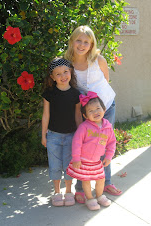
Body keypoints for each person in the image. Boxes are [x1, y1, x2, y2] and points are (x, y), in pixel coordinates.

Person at [64, 25, 122, 203]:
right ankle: (81, 188)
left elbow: (106, 80)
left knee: (103, 144)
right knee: (85, 147)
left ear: (91, 45)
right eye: (78, 40)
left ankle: (106, 182)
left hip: (106, 106)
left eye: (86, 42)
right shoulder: (68, 64)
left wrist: (100, 107)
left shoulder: (98, 59)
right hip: (86, 112)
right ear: (72, 42)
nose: (82, 45)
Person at [41, 57, 82, 207]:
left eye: (66, 72)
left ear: (70, 72)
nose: (63, 76)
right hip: (53, 136)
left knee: (69, 165)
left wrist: (80, 136)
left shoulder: (76, 94)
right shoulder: (49, 93)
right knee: (55, 165)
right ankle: (57, 192)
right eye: (58, 74)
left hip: (72, 136)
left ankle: (69, 191)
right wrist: (43, 134)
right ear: (52, 77)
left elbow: (78, 115)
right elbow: (46, 115)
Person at [67, 91, 116, 210]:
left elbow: (111, 142)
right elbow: (76, 142)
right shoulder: (84, 127)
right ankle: (90, 199)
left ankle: (99, 196)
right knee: (86, 180)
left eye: (98, 108)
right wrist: (76, 158)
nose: (95, 112)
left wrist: (109, 156)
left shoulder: (107, 127)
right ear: (85, 116)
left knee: (101, 179)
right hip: (83, 160)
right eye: (91, 111)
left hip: (97, 161)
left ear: (104, 110)